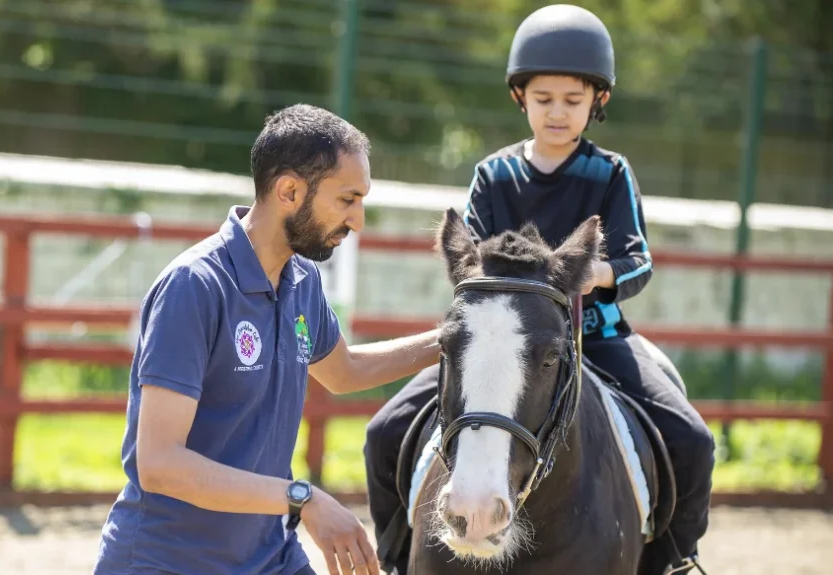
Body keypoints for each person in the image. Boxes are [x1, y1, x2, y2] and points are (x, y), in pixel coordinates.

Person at [362, 5, 715, 575]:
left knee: (693, 440)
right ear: (519, 97)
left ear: (597, 102)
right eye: (543, 99)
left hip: (592, 339)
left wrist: (592, 273)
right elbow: (470, 263)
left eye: (573, 101)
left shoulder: (611, 174)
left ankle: (674, 561)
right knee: (384, 432)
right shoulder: (493, 175)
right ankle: (397, 557)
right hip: (497, 345)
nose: (557, 112)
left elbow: (637, 261)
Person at [92, 103, 442, 575]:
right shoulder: (194, 286)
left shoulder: (302, 280)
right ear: (290, 191)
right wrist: (302, 497)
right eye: (347, 199)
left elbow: (343, 370)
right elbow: (159, 463)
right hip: (166, 562)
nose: (358, 221)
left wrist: (451, 339)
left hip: (268, 558)